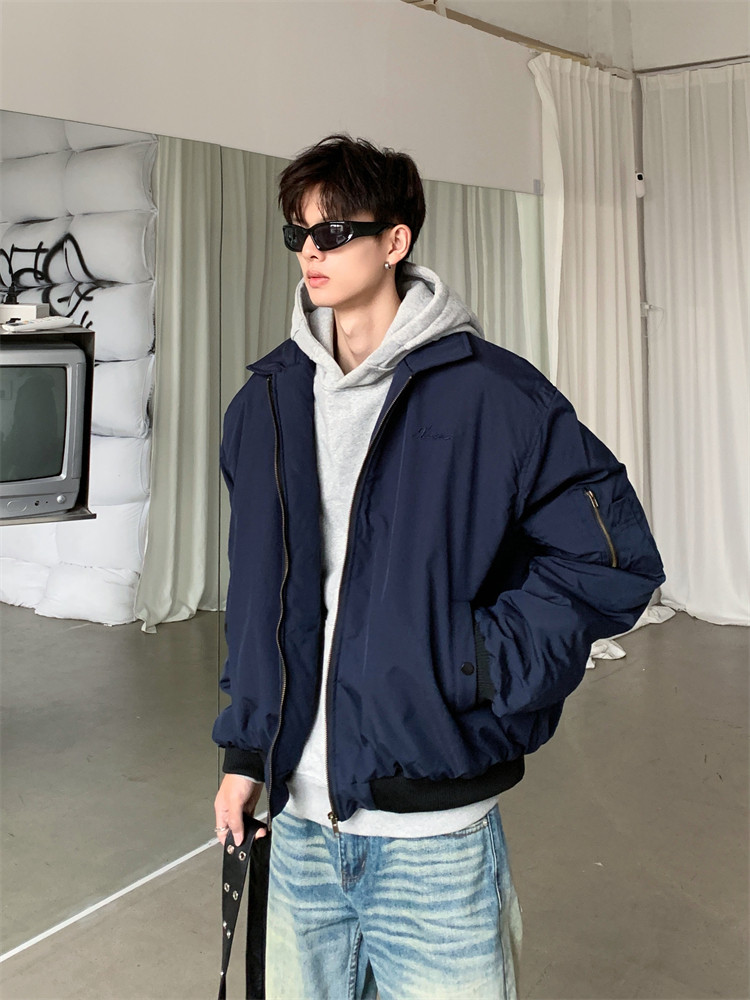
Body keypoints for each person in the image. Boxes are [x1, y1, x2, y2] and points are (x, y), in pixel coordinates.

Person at [213, 133, 665, 999]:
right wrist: (244, 751)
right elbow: (259, 599)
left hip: (433, 843)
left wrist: (472, 661)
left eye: (335, 231)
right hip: (296, 826)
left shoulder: (497, 397)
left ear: (396, 239)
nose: (311, 251)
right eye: (298, 233)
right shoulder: (263, 403)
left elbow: (609, 561)